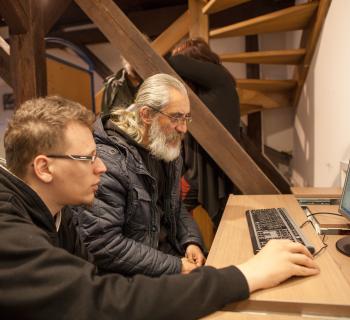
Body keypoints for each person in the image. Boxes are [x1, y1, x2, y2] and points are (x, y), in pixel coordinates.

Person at [0, 95, 319, 319]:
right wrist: (245, 275)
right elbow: (99, 301)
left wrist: (192, 243)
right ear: (43, 168)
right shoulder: (9, 233)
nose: (102, 168)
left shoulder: (58, 210)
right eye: (88, 158)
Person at [75, 73, 206, 277]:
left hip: (164, 259)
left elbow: (174, 207)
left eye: (186, 117)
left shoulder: (164, 148)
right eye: (176, 117)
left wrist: (191, 240)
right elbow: (104, 244)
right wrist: (175, 266)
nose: (184, 128)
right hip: (128, 278)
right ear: (146, 115)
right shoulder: (108, 162)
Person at [168, 37, 241, 227]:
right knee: (175, 217)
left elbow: (176, 62)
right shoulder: (199, 95)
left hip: (213, 174)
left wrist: (180, 52)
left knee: (225, 224)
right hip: (196, 174)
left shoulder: (220, 79)